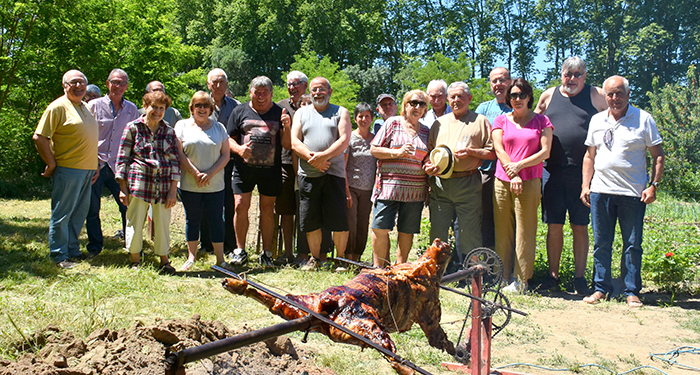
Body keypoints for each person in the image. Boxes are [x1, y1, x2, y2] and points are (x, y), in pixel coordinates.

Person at [581, 75, 664, 308]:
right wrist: (586, 185)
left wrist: (653, 185)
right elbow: (590, 155)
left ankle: (631, 291)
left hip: (632, 193)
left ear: (628, 94)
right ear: (605, 96)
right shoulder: (597, 120)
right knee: (601, 243)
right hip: (601, 191)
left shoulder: (643, 119)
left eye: (619, 93)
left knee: (632, 244)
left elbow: (658, 155)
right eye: (610, 94)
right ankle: (601, 288)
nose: (614, 98)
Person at [535, 57, 607, 293]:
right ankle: (552, 277)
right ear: (561, 74)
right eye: (568, 74)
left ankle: (579, 278)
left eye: (577, 74)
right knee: (553, 225)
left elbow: (613, 121)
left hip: (584, 173)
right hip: (552, 172)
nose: (572, 79)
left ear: (585, 75)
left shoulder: (596, 95)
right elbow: (533, 125)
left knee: (580, 226)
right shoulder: (549, 95)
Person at [492, 78, 553, 293]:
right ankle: (502, 276)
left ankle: (520, 281)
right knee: (503, 230)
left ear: (529, 97)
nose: (517, 99)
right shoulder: (501, 120)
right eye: (513, 95)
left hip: (530, 182)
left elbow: (545, 152)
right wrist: (512, 173)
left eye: (522, 95)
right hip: (502, 181)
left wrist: (518, 168)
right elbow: (499, 150)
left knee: (525, 230)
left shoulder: (542, 121)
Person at [33, 70, 99, 269]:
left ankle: (72, 250)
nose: (78, 86)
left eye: (82, 82)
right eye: (74, 83)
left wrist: (94, 163)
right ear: (65, 85)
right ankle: (58, 255)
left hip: (87, 170)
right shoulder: (58, 107)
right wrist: (51, 163)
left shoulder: (85, 106)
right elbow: (40, 136)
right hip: (69, 168)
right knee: (63, 213)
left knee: (79, 213)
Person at [424, 82, 495, 266]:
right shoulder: (439, 123)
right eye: (453, 97)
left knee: (469, 232)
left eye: (460, 96)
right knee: (438, 232)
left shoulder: (480, 121)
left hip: (468, 182)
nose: (456, 100)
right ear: (448, 99)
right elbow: (428, 155)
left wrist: (473, 152)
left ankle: (473, 274)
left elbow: (492, 153)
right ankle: (436, 272)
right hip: (441, 184)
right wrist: (428, 167)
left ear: (469, 99)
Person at [227, 76, 291, 267]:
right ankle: (240, 250)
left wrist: (286, 126)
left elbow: (287, 144)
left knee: (267, 210)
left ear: (271, 93)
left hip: (270, 170)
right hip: (243, 168)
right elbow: (228, 138)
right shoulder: (239, 111)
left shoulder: (280, 113)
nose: (261, 96)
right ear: (250, 92)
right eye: (257, 92)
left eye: (265, 92)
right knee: (240, 206)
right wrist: (239, 150)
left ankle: (267, 253)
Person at [115, 91, 180, 274]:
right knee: (134, 221)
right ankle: (135, 260)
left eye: (162, 108)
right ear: (145, 106)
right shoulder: (133, 128)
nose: (158, 112)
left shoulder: (169, 131)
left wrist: (173, 190)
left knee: (162, 223)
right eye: (154, 107)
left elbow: (175, 162)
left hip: (163, 185)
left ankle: (164, 261)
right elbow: (122, 160)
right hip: (138, 184)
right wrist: (122, 188)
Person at [291, 77, 352, 270]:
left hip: (334, 173)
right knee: (311, 219)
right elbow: (294, 142)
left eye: (322, 89)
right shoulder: (301, 113)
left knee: (339, 219)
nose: (318, 93)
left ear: (330, 91)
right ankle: (315, 259)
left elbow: (344, 139)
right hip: (308, 174)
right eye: (314, 90)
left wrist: (323, 157)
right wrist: (314, 160)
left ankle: (340, 260)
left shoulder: (341, 112)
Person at [370, 90, 430, 268]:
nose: (417, 107)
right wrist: (396, 152)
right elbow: (374, 149)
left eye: (421, 104)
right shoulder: (393, 123)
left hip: (415, 190)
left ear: (426, 109)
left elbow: (428, 156)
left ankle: (399, 268)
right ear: (405, 105)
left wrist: (428, 164)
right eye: (413, 103)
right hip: (389, 187)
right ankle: (380, 269)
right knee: (379, 227)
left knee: (406, 231)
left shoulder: (427, 131)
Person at [86, 69, 140, 257]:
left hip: (120, 166)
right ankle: (94, 246)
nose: (118, 86)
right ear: (108, 83)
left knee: (127, 206)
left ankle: (130, 243)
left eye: (122, 83)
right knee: (92, 207)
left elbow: (135, 139)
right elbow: (85, 135)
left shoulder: (132, 109)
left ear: (126, 87)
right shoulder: (93, 105)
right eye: (115, 82)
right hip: (96, 164)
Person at [175, 91, 230, 270]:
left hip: (215, 185)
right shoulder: (181, 126)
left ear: (211, 108)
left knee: (216, 220)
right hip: (190, 183)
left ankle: (220, 259)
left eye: (206, 105)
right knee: (192, 220)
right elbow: (179, 153)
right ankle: (191, 256)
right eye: (198, 105)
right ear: (191, 108)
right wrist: (195, 173)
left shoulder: (219, 128)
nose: (202, 109)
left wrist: (210, 173)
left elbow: (226, 155)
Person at [203, 68, 239, 256]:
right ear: (208, 84)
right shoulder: (200, 103)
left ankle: (230, 244)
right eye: (214, 82)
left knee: (229, 203)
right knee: (205, 203)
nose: (218, 85)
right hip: (204, 161)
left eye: (221, 82)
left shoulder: (236, 106)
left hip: (230, 161)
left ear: (227, 84)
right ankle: (206, 244)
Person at [475, 68, 512, 250]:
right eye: (494, 81)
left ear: (510, 81)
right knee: (486, 218)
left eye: (502, 80)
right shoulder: (483, 109)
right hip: (486, 171)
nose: (498, 84)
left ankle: (510, 264)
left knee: (509, 218)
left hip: (512, 171)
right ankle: (490, 263)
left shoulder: (518, 105)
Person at [276, 71, 308, 264]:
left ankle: (304, 253)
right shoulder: (280, 106)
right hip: (284, 164)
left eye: (296, 84)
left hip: (307, 166)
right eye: (289, 84)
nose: (292, 87)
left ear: (304, 85)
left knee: (305, 211)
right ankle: (288, 252)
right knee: (286, 211)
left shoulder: (311, 104)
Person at [344, 102, 376, 262]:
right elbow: (342, 165)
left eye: (367, 116)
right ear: (355, 118)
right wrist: (346, 191)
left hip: (369, 189)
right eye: (360, 116)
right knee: (351, 222)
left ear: (371, 118)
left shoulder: (377, 139)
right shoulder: (349, 138)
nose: (364, 119)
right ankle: (347, 256)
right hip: (352, 187)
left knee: (363, 223)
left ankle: (357, 256)